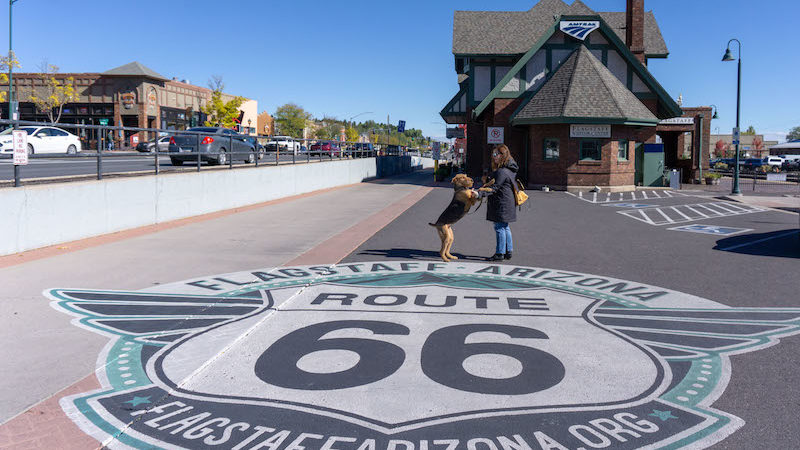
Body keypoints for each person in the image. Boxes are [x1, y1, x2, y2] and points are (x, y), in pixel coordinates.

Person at [479, 144, 519, 261]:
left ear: (502, 155)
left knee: (499, 227)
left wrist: (478, 194)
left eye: (496, 154)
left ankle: (499, 253)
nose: (493, 156)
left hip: (502, 203)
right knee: (505, 227)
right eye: (493, 154)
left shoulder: (502, 171)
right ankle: (508, 251)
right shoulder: (510, 169)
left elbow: (495, 188)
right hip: (508, 202)